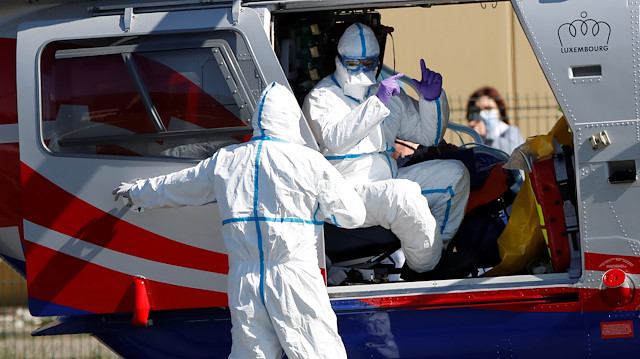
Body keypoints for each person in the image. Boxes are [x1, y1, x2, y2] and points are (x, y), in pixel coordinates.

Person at [112, 82, 366, 359]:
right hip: (294, 276)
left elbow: (178, 185)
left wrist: (135, 194)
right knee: (318, 352)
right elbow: (353, 215)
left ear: (257, 120)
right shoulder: (308, 161)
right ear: (292, 119)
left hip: (245, 279)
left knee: (251, 353)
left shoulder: (225, 161)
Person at [303, 22, 471, 276]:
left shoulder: (388, 93)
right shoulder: (322, 97)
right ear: (339, 60)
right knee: (403, 194)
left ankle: (435, 255)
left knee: (455, 174)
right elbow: (335, 139)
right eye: (352, 63)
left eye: (368, 64)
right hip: (345, 190)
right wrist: (376, 103)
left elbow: (429, 136)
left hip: (387, 179)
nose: (361, 70)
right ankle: (425, 270)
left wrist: (432, 100)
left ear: (377, 63)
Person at [466, 86, 524, 155]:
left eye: (488, 108)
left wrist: (489, 135)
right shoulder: (480, 139)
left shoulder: (511, 131)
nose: (481, 114)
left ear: (499, 111)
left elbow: (510, 155)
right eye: (477, 110)